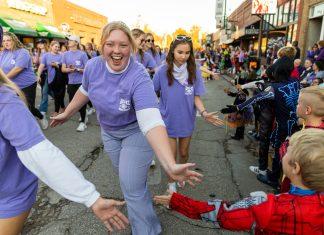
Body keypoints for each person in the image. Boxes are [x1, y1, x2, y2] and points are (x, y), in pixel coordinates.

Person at [50, 21, 203, 235]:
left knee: (131, 187)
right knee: (130, 183)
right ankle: (145, 209)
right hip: (109, 133)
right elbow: (85, 90)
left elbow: (151, 119)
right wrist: (68, 112)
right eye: (110, 44)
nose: (116, 50)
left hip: (135, 132)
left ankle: (147, 230)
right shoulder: (93, 66)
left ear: (131, 47)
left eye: (123, 45)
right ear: (102, 45)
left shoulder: (138, 75)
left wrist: (169, 163)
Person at [0, 67, 129, 234]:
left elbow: (42, 154)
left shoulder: (6, 103)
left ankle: (82, 119)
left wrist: (91, 198)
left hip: (8, 196)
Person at [154, 128, 324, 235]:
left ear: (295, 168)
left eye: (288, 150)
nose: (283, 152)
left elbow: (222, 213)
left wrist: (177, 200)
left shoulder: (269, 206)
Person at [153, 35, 223, 192]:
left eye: (187, 53)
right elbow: (152, 94)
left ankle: (182, 172)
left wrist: (204, 112)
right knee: (171, 156)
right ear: (172, 52)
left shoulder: (194, 70)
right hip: (167, 119)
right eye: (180, 52)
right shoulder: (161, 71)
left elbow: (195, 96)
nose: (183, 56)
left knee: (184, 153)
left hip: (187, 119)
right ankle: (171, 184)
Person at [221, 47, 300, 188]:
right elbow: (258, 86)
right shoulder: (295, 82)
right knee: (286, 151)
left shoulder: (274, 88)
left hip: (282, 126)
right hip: (293, 124)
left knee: (278, 151)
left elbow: (256, 98)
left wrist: (237, 107)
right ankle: (276, 177)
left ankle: (274, 179)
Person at [280, 86, 324, 192]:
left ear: (307, 110)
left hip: (298, 189)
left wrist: (287, 142)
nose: (296, 105)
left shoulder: (306, 140)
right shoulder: (318, 129)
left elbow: (286, 156)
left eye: (298, 103)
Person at [0, 32, 48, 129]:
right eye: (4, 41)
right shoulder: (4, 53)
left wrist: (3, 80)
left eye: (8, 40)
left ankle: (41, 117)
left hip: (27, 85)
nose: (6, 43)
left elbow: (17, 69)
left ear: (14, 40)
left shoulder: (23, 52)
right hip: (12, 86)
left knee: (28, 108)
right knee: (14, 107)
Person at [61, 35, 89, 132]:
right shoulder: (65, 54)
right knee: (73, 102)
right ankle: (84, 115)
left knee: (81, 102)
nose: (68, 41)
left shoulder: (82, 54)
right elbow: (63, 69)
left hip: (81, 82)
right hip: (71, 82)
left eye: (71, 40)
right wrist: (69, 69)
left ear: (76, 43)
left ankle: (83, 122)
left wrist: (77, 69)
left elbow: (88, 69)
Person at [37, 40, 66, 117]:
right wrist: (38, 75)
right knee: (57, 95)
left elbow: (64, 66)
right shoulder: (46, 56)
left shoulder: (62, 55)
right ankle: (63, 107)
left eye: (58, 47)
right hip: (51, 79)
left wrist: (57, 65)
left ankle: (56, 111)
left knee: (58, 94)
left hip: (61, 79)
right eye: (55, 46)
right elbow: (41, 66)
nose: (57, 48)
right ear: (51, 46)